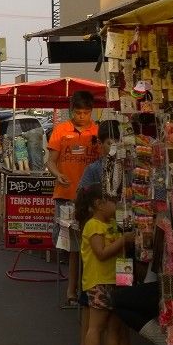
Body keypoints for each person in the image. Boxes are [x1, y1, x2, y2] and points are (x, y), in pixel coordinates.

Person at [48, 91, 101, 307]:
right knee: (71, 248)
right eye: (78, 112)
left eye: (86, 113)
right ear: (72, 111)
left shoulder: (97, 132)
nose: (82, 117)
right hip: (66, 196)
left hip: (91, 199)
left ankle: (87, 289)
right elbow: (50, 161)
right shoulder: (61, 130)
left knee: (90, 246)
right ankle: (71, 291)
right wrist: (57, 174)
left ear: (91, 111)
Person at [78, 185, 131, 345]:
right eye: (112, 201)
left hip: (118, 279)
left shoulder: (113, 224)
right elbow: (100, 253)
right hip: (99, 282)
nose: (116, 204)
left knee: (114, 328)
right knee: (96, 327)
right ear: (98, 204)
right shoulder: (93, 225)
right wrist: (123, 240)